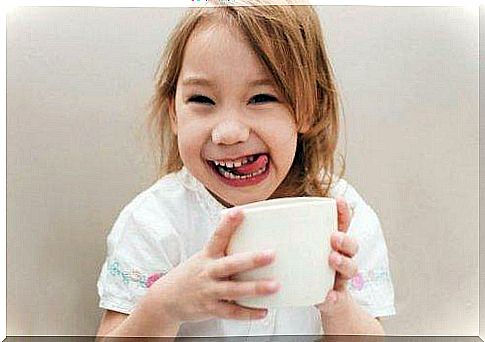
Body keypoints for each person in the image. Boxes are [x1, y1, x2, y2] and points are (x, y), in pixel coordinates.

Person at [96, 1, 395, 337]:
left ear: (310, 107)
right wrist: (165, 305)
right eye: (202, 100)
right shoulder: (156, 221)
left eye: (262, 98)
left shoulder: (344, 216)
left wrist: (338, 304)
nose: (228, 133)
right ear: (175, 114)